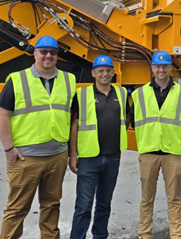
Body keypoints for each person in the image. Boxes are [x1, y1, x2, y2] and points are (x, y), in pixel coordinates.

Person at [0, 35, 76, 239]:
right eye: (44, 52)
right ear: (35, 54)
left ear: (57, 56)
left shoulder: (69, 80)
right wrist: (8, 148)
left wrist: (71, 154)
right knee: (17, 209)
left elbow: (73, 118)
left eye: (53, 52)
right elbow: (2, 114)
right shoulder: (17, 79)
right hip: (25, 158)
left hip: (57, 156)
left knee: (52, 206)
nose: (48, 56)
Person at [132, 50, 181, 239]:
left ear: (170, 68)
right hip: (149, 151)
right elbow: (133, 121)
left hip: (172, 152)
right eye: (157, 66)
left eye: (164, 66)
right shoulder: (139, 94)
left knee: (173, 199)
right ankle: (144, 235)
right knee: (146, 200)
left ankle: (176, 236)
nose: (161, 70)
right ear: (152, 68)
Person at [68, 55, 128, 239]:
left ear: (113, 73)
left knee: (104, 204)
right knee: (84, 205)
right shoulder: (82, 94)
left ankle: (100, 236)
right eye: (100, 70)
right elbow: (75, 125)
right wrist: (72, 155)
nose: (105, 74)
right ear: (93, 73)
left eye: (108, 70)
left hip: (112, 157)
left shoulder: (122, 94)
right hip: (89, 158)